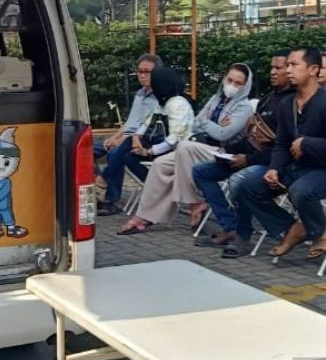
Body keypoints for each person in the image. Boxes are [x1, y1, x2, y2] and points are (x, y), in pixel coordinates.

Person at [223, 47, 326, 261]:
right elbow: (282, 144)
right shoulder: (287, 104)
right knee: (247, 188)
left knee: (300, 190)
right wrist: (274, 168)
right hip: (297, 168)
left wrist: (308, 143)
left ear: (312, 69)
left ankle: (320, 230)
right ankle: (293, 229)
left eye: (294, 65)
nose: (288, 69)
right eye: (288, 65)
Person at [117, 64, 253, 234]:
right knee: (160, 164)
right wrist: (211, 124)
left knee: (184, 146)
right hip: (201, 147)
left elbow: (223, 135)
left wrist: (206, 123)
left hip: (224, 152)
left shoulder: (244, 107)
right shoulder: (216, 99)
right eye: (229, 80)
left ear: (245, 86)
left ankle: (195, 202)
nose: (231, 85)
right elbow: (196, 124)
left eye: (238, 83)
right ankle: (145, 216)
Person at [192, 52, 294, 249]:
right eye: (272, 67)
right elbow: (252, 137)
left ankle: (244, 235)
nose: (273, 72)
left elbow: (282, 148)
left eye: (279, 68)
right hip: (252, 157)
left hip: (272, 164)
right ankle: (229, 226)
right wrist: (227, 152)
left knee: (238, 181)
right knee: (201, 171)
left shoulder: (291, 103)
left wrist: (247, 159)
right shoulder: (267, 99)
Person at [94, 53, 162, 215]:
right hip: (126, 136)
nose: (142, 75)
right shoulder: (140, 94)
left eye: (147, 72)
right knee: (84, 150)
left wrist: (121, 140)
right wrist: (114, 137)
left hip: (142, 140)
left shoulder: (159, 97)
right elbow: (130, 122)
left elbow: (145, 127)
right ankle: (96, 185)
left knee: (115, 153)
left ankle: (110, 199)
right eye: (140, 71)